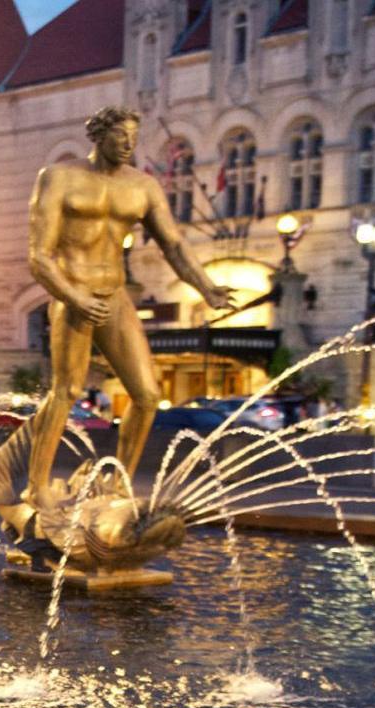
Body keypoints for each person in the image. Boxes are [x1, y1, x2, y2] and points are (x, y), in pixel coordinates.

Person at [22, 105, 237, 501]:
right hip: (73, 295)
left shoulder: (143, 187)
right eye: (120, 136)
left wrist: (206, 287)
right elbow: (39, 256)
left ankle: (116, 486)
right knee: (67, 390)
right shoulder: (59, 178)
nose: (128, 145)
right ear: (99, 135)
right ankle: (35, 488)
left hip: (115, 295)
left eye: (134, 139)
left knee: (148, 395)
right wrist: (74, 296)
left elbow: (173, 242)